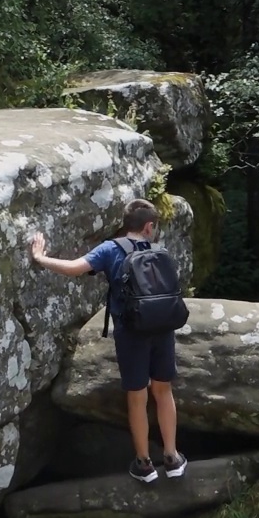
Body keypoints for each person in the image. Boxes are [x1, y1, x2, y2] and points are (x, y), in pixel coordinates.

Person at [29, 198, 188, 483]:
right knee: (164, 391)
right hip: (163, 329)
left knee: (137, 396)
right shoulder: (158, 250)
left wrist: (41, 258)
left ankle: (144, 464)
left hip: (132, 333)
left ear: (125, 224)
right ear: (149, 227)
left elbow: (75, 268)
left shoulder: (110, 249)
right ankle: (172, 457)